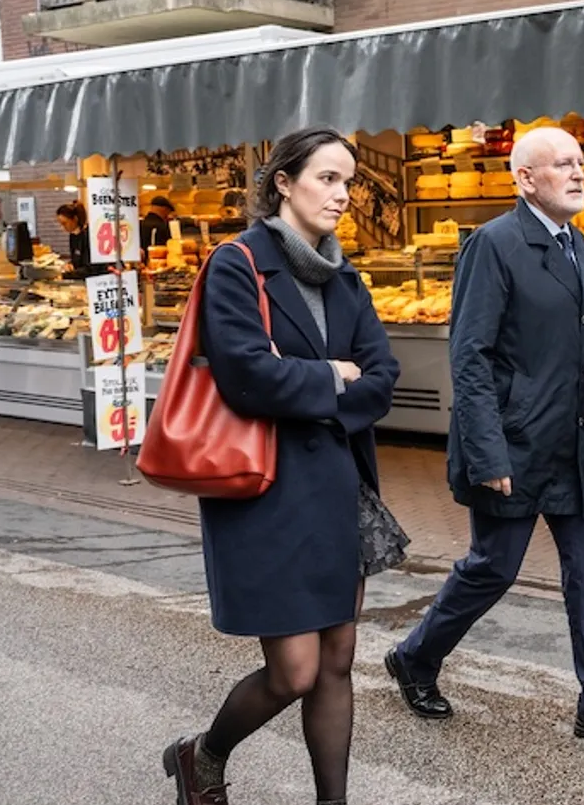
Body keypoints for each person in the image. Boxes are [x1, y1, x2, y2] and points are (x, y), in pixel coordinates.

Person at [385, 126, 584, 752]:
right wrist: (487, 452)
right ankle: (415, 656)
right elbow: (471, 356)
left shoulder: (577, 243)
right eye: (562, 164)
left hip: (569, 445)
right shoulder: (494, 244)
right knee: (493, 569)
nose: (579, 172)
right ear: (525, 179)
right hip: (511, 445)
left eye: (581, 162)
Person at [162, 127, 405, 805]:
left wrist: (318, 386)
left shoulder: (344, 273)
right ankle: (201, 756)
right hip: (264, 489)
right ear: (284, 183)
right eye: (328, 178)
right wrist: (331, 374)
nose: (343, 195)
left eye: (348, 182)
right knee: (295, 670)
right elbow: (246, 377)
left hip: (338, 490)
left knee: (337, 663)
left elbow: (384, 376)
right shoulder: (238, 263)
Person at [54, 202, 104, 279]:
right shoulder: (73, 235)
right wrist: (70, 264)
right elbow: (76, 260)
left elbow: (91, 269)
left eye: (64, 223)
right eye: (61, 224)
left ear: (75, 219)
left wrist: (65, 275)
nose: (62, 227)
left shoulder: (90, 235)